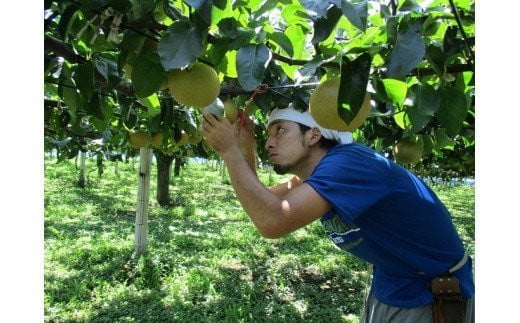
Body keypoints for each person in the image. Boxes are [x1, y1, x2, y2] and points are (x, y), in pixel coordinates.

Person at [200, 105, 475, 322]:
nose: (269, 143)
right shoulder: (319, 175)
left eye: (280, 131)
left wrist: (229, 150)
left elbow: (272, 221)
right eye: (268, 135)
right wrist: (243, 145)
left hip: (427, 291)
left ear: (314, 134)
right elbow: (261, 201)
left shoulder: (348, 164)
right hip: (394, 280)